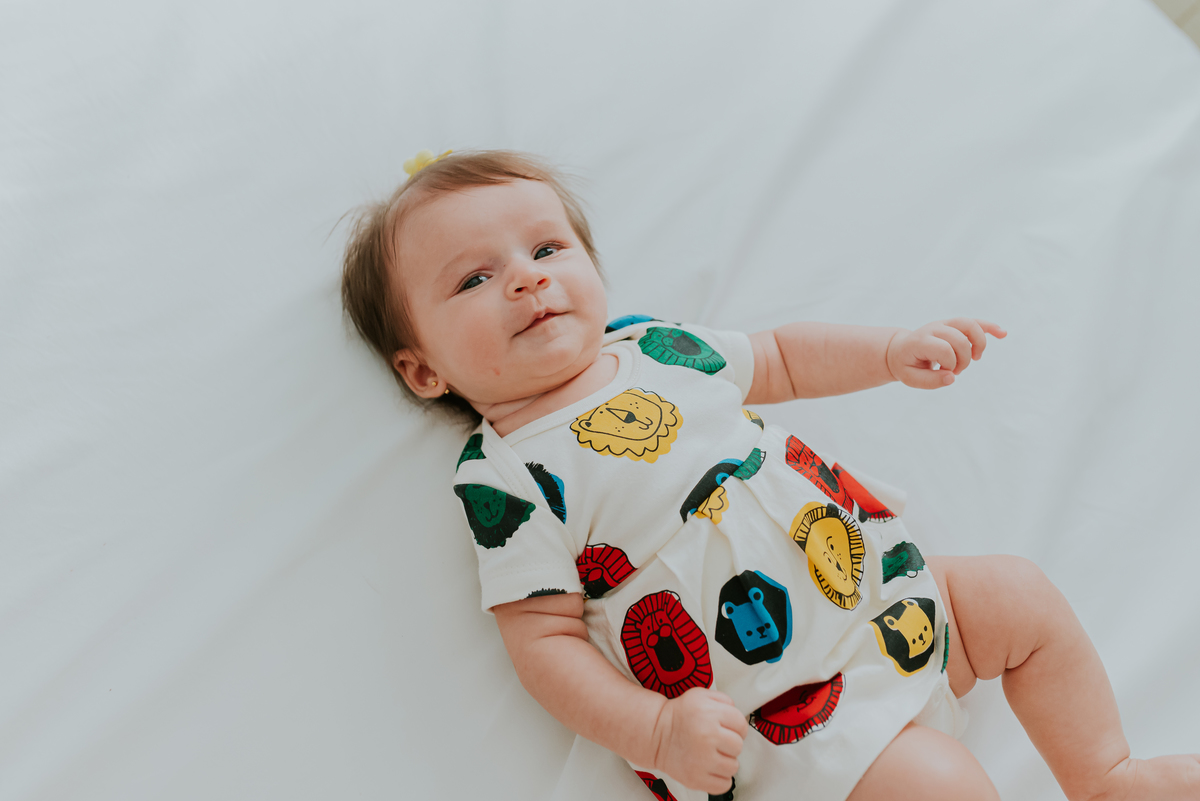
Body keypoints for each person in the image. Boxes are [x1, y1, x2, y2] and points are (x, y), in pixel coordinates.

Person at [340, 149, 1200, 801]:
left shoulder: (655, 348)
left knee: (1016, 596)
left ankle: (1104, 773)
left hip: (884, 597)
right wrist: (658, 728)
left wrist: (891, 353)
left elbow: (784, 358)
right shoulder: (508, 477)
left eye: (546, 246)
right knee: (941, 783)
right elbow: (545, 643)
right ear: (425, 372)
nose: (526, 277)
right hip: (784, 713)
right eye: (476, 278)